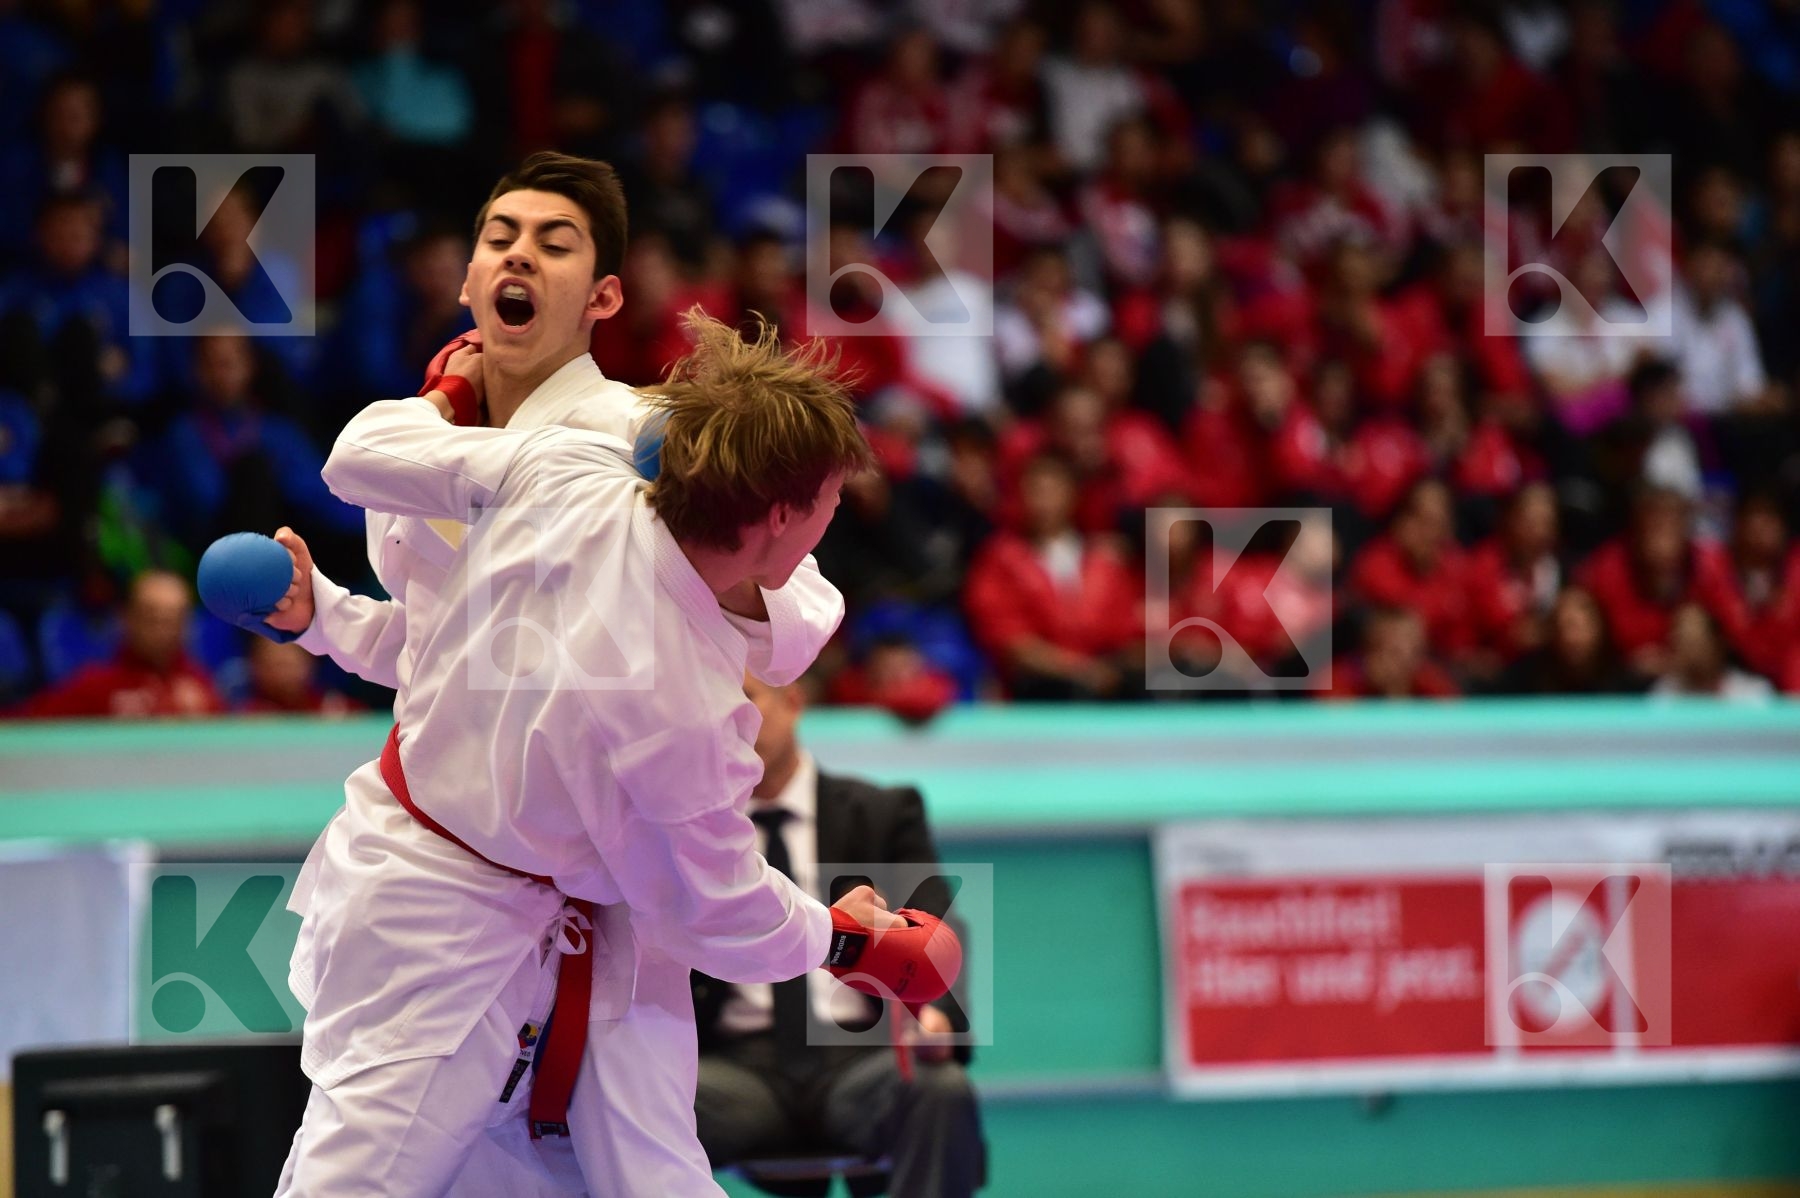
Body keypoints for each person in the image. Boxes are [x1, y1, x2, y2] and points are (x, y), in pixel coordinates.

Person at [262, 153, 861, 1195]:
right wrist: (331, 623)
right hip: (462, 867)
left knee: (646, 1174)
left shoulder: (640, 439)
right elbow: (446, 655)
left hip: (608, 897)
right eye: (501, 237)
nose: (520, 256)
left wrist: (710, 601)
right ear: (467, 277)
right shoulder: (457, 447)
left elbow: (803, 602)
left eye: (554, 240)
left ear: (604, 294)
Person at [693, 675, 984, 1196]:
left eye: (747, 698)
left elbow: (936, 930)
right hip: (734, 1068)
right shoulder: (693, 829)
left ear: (795, 701)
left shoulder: (883, 812)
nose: (730, 720)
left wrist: (933, 1017)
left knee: (939, 1088)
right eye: (713, 705)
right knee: (624, 1098)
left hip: (858, 1061)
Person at [19, 569, 223, 718]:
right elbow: (23, 727)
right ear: (127, 618)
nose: (164, 630)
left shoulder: (202, 688)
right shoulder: (95, 687)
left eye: (174, 620)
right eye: (153, 618)